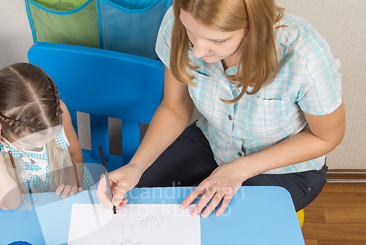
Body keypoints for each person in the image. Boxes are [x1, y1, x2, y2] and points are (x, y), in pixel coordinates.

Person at [97, 0, 345, 218]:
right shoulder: (176, 21)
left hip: (286, 169)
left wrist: (237, 170)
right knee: (137, 201)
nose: (197, 51)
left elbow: (326, 136)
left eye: (217, 40)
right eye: (190, 31)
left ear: (253, 26)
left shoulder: (304, 54)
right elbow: (174, 108)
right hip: (214, 141)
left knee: (220, 231)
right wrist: (136, 166)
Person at [0, 63, 93, 210]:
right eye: (31, 145)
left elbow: (74, 153)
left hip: (66, 193)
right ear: (3, 128)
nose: (41, 146)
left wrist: (73, 181)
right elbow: (9, 204)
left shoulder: (59, 111)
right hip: (25, 205)